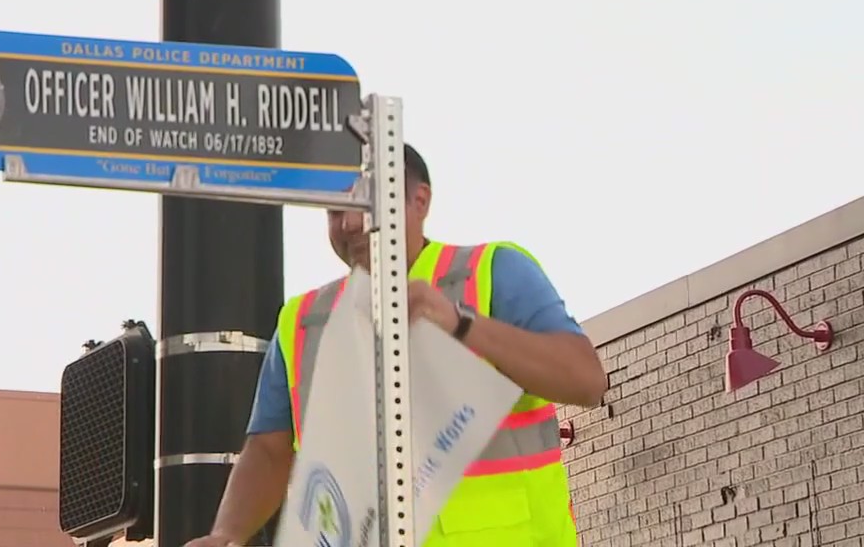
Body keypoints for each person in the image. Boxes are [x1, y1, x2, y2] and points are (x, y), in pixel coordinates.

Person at [185, 144, 607, 547]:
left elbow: (586, 381)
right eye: (334, 210)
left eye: (363, 203)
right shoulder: (301, 322)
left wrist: (461, 325)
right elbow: (269, 451)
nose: (348, 223)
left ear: (419, 201)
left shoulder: (493, 273)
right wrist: (228, 534)